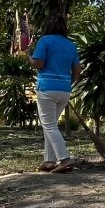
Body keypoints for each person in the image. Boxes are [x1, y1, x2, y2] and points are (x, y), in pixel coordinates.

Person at [27, 13, 81, 173]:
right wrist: (67, 83)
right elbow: (77, 70)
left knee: (49, 125)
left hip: (47, 88)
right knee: (50, 125)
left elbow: (38, 64)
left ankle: (64, 159)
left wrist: (29, 56)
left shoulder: (45, 41)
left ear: (48, 26)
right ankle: (49, 161)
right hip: (64, 90)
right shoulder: (70, 45)